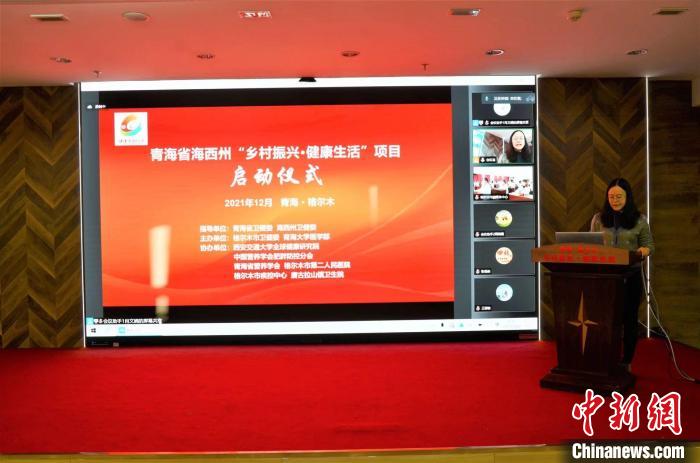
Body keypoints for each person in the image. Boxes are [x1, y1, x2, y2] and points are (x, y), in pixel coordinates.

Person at [590, 178, 654, 372]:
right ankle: (605, 357)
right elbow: (591, 245)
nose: (615, 200)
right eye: (611, 197)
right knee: (605, 320)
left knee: (629, 319)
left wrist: (641, 252)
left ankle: (626, 361)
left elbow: (649, 246)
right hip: (605, 279)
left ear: (628, 197)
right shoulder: (599, 219)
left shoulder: (639, 220)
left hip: (630, 277)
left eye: (619, 196)